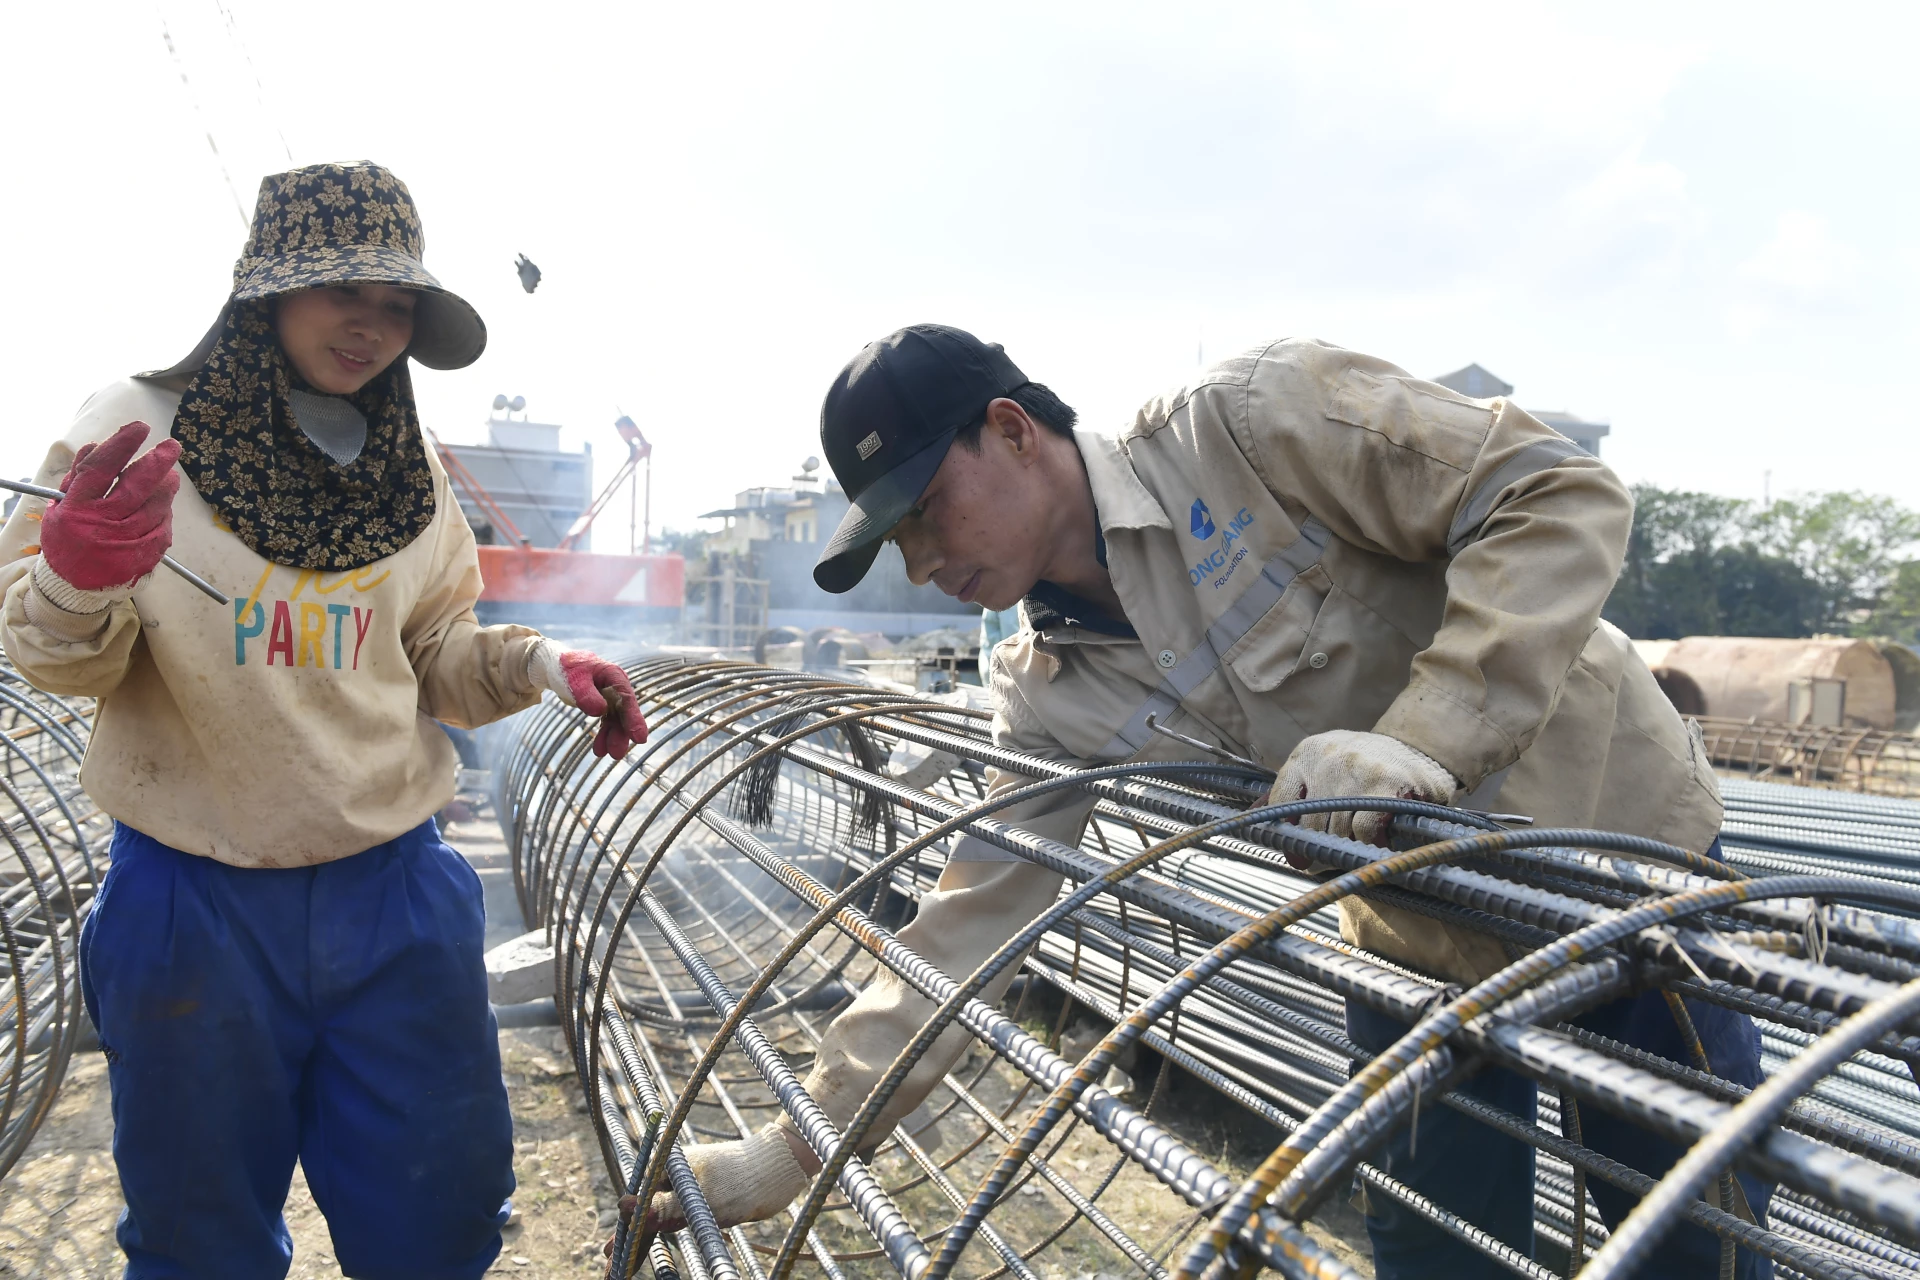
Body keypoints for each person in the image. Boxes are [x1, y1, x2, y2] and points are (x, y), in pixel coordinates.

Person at [641, 325, 1772, 1279]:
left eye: (929, 508)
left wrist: (1418, 739)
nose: (924, 562)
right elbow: (970, 925)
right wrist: (800, 1144)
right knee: (1438, 1250)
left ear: (1014, 430)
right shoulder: (1047, 688)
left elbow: (1556, 490)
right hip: (1411, 929)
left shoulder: (1250, 424)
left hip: (1617, 865)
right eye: (898, 542)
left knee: (1688, 1235)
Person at [0, 162, 648, 1280]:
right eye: (344, 288)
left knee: (437, 1216)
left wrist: (543, 661)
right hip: (191, 889)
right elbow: (53, 651)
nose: (373, 326)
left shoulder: (410, 470)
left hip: (391, 890)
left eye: (398, 305)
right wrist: (74, 576)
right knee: (200, 1236)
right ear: (265, 288)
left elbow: (436, 654)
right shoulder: (139, 429)